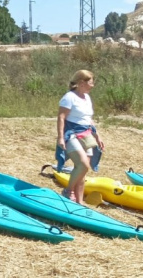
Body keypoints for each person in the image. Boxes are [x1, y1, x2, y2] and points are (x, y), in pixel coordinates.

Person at [56, 70, 104, 205]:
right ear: (81, 83)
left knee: (83, 170)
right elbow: (61, 117)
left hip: (86, 134)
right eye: (90, 82)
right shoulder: (69, 97)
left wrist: (97, 136)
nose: (93, 85)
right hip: (71, 134)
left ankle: (79, 201)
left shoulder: (87, 97)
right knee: (82, 164)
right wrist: (60, 137)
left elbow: (88, 119)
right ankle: (68, 191)